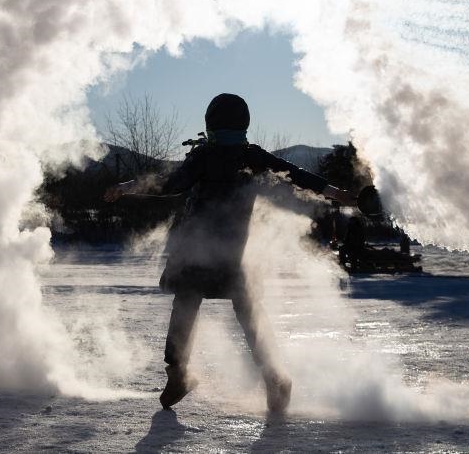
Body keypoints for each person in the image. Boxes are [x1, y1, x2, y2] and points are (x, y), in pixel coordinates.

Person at [104, 93, 365, 413]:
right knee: (247, 312)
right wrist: (338, 193)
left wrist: (127, 186)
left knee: (186, 305)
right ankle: (274, 377)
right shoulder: (251, 155)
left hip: (196, 248)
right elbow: (298, 176)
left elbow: (171, 184)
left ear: (210, 122)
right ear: (244, 122)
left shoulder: (205, 155)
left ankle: (179, 373)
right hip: (229, 249)